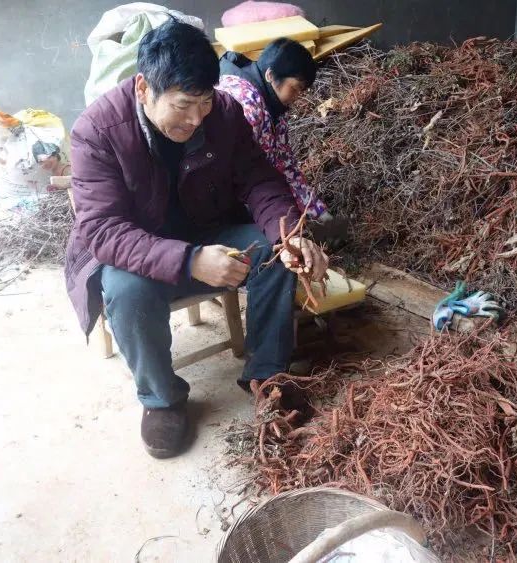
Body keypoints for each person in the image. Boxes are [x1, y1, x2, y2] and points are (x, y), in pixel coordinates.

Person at [64, 19, 329, 459]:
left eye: (204, 102)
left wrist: (290, 235)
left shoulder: (224, 113)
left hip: (207, 227)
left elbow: (259, 180)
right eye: (183, 105)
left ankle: (267, 375)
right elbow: (102, 230)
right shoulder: (96, 131)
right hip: (138, 247)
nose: (194, 119)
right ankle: (162, 400)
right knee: (127, 291)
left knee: (273, 255)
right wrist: (190, 261)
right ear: (145, 87)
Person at [217, 38, 348, 243]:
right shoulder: (247, 107)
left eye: (301, 91)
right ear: (270, 75)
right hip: (222, 206)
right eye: (295, 88)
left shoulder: (271, 107)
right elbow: (236, 175)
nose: (297, 97)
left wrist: (319, 213)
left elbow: (285, 164)